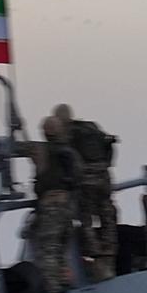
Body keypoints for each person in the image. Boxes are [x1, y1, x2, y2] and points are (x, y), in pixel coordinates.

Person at [15, 116, 81, 293]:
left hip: (51, 206)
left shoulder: (40, 150)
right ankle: (64, 280)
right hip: (67, 206)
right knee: (61, 248)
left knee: (48, 248)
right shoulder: (70, 153)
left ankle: (52, 287)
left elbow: (18, 147)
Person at [54, 104, 119, 282]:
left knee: (86, 218)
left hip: (85, 180)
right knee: (107, 213)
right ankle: (110, 249)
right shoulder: (90, 127)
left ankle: (94, 252)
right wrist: (104, 167)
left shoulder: (68, 134)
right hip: (104, 176)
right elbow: (108, 146)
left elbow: (65, 159)